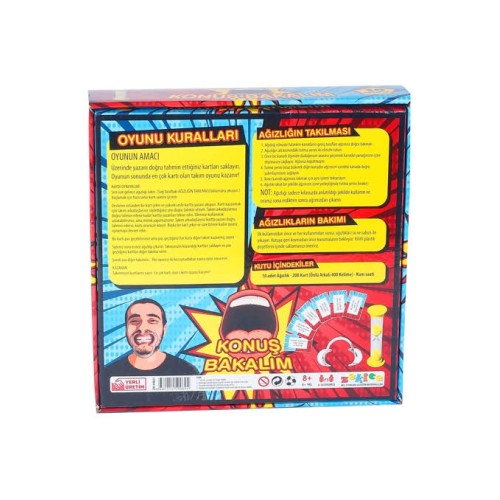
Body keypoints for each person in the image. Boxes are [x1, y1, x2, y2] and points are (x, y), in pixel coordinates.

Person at [100, 298, 206, 408]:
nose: (142, 328)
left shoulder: (187, 372)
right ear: (126, 329)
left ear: (164, 329)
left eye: (152, 320)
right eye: (134, 321)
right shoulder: (108, 375)